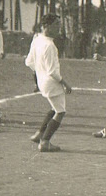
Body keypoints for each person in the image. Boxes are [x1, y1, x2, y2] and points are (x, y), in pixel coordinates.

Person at [25, 13, 72, 152]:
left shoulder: (37, 40)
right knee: (60, 112)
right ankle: (45, 142)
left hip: (42, 82)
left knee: (54, 108)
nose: (59, 28)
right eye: (56, 25)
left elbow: (29, 62)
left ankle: (39, 134)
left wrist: (39, 73)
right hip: (51, 83)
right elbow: (52, 72)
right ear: (46, 26)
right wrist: (65, 83)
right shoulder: (50, 45)